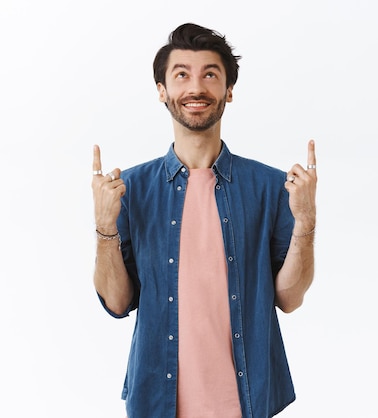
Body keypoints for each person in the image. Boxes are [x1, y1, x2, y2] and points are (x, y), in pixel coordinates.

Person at [91, 23, 317, 418]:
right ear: (162, 90)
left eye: (210, 74)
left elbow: (290, 298)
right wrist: (105, 226)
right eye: (182, 74)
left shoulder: (269, 186)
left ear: (228, 90)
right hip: (157, 404)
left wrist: (306, 223)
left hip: (247, 401)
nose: (196, 87)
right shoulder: (130, 190)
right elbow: (117, 302)